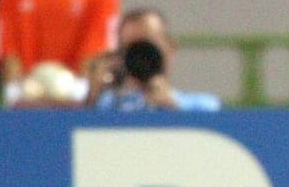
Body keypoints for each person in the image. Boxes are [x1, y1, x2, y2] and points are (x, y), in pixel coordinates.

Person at [90, 8, 223, 113]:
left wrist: (172, 109)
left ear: (170, 49)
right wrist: (92, 98)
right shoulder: (106, 106)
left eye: (148, 47)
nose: (140, 57)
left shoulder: (203, 108)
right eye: (130, 49)